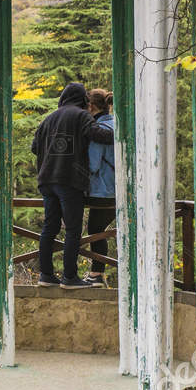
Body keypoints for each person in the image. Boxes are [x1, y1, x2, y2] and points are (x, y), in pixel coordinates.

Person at [30, 81, 114, 288]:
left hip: (46, 179)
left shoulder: (49, 119)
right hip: (68, 180)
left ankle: (46, 275)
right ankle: (69, 277)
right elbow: (100, 135)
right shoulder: (80, 115)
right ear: (81, 99)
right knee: (73, 229)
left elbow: (34, 147)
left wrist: (53, 153)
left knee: (49, 228)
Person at [83, 88, 116, 285]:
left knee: (95, 230)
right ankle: (97, 274)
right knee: (98, 230)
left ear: (91, 106)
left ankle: (96, 275)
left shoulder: (99, 131)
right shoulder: (116, 124)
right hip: (117, 188)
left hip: (102, 190)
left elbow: (92, 165)